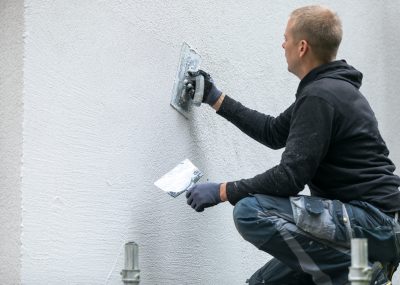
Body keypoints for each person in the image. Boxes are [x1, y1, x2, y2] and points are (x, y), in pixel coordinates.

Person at [184, 5, 400, 285]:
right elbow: (273, 132)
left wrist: (223, 191)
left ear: (302, 47)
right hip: (370, 225)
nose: (282, 44)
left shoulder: (321, 96)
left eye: (286, 37)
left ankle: (363, 274)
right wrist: (215, 98)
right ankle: (361, 270)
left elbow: (289, 178)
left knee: (250, 211)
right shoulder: (328, 91)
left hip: (374, 222)